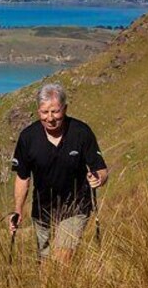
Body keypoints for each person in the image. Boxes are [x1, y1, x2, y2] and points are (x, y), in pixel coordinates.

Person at [10, 84, 108, 264]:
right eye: (44, 112)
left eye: (55, 112)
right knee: (45, 264)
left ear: (65, 109)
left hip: (75, 208)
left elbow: (101, 169)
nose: (50, 118)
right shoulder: (28, 137)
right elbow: (23, 177)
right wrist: (17, 210)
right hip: (42, 210)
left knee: (61, 260)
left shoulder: (81, 132)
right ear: (38, 110)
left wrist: (98, 178)